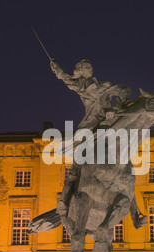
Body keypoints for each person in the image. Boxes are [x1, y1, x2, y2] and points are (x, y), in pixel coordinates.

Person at [50, 59, 145, 228]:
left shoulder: (104, 85)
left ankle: (135, 214)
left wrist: (114, 109)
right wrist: (58, 70)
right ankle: (64, 200)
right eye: (85, 67)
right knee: (79, 160)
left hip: (109, 124)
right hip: (90, 128)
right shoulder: (83, 87)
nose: (89, 68)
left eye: (88, 67)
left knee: (124, 164)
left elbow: (125, 91)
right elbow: (69, 81)